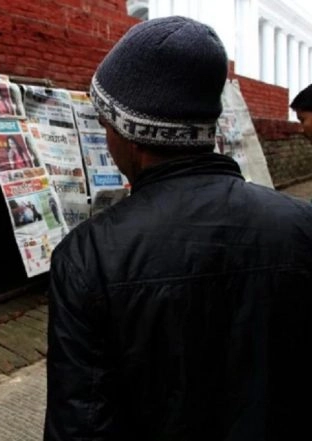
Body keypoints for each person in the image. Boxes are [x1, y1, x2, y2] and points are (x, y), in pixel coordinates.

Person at [44, 17, 312, 441]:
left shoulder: (87, 257)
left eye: (104, 121)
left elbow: (80, 424)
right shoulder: (301, 226)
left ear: (129, 133)